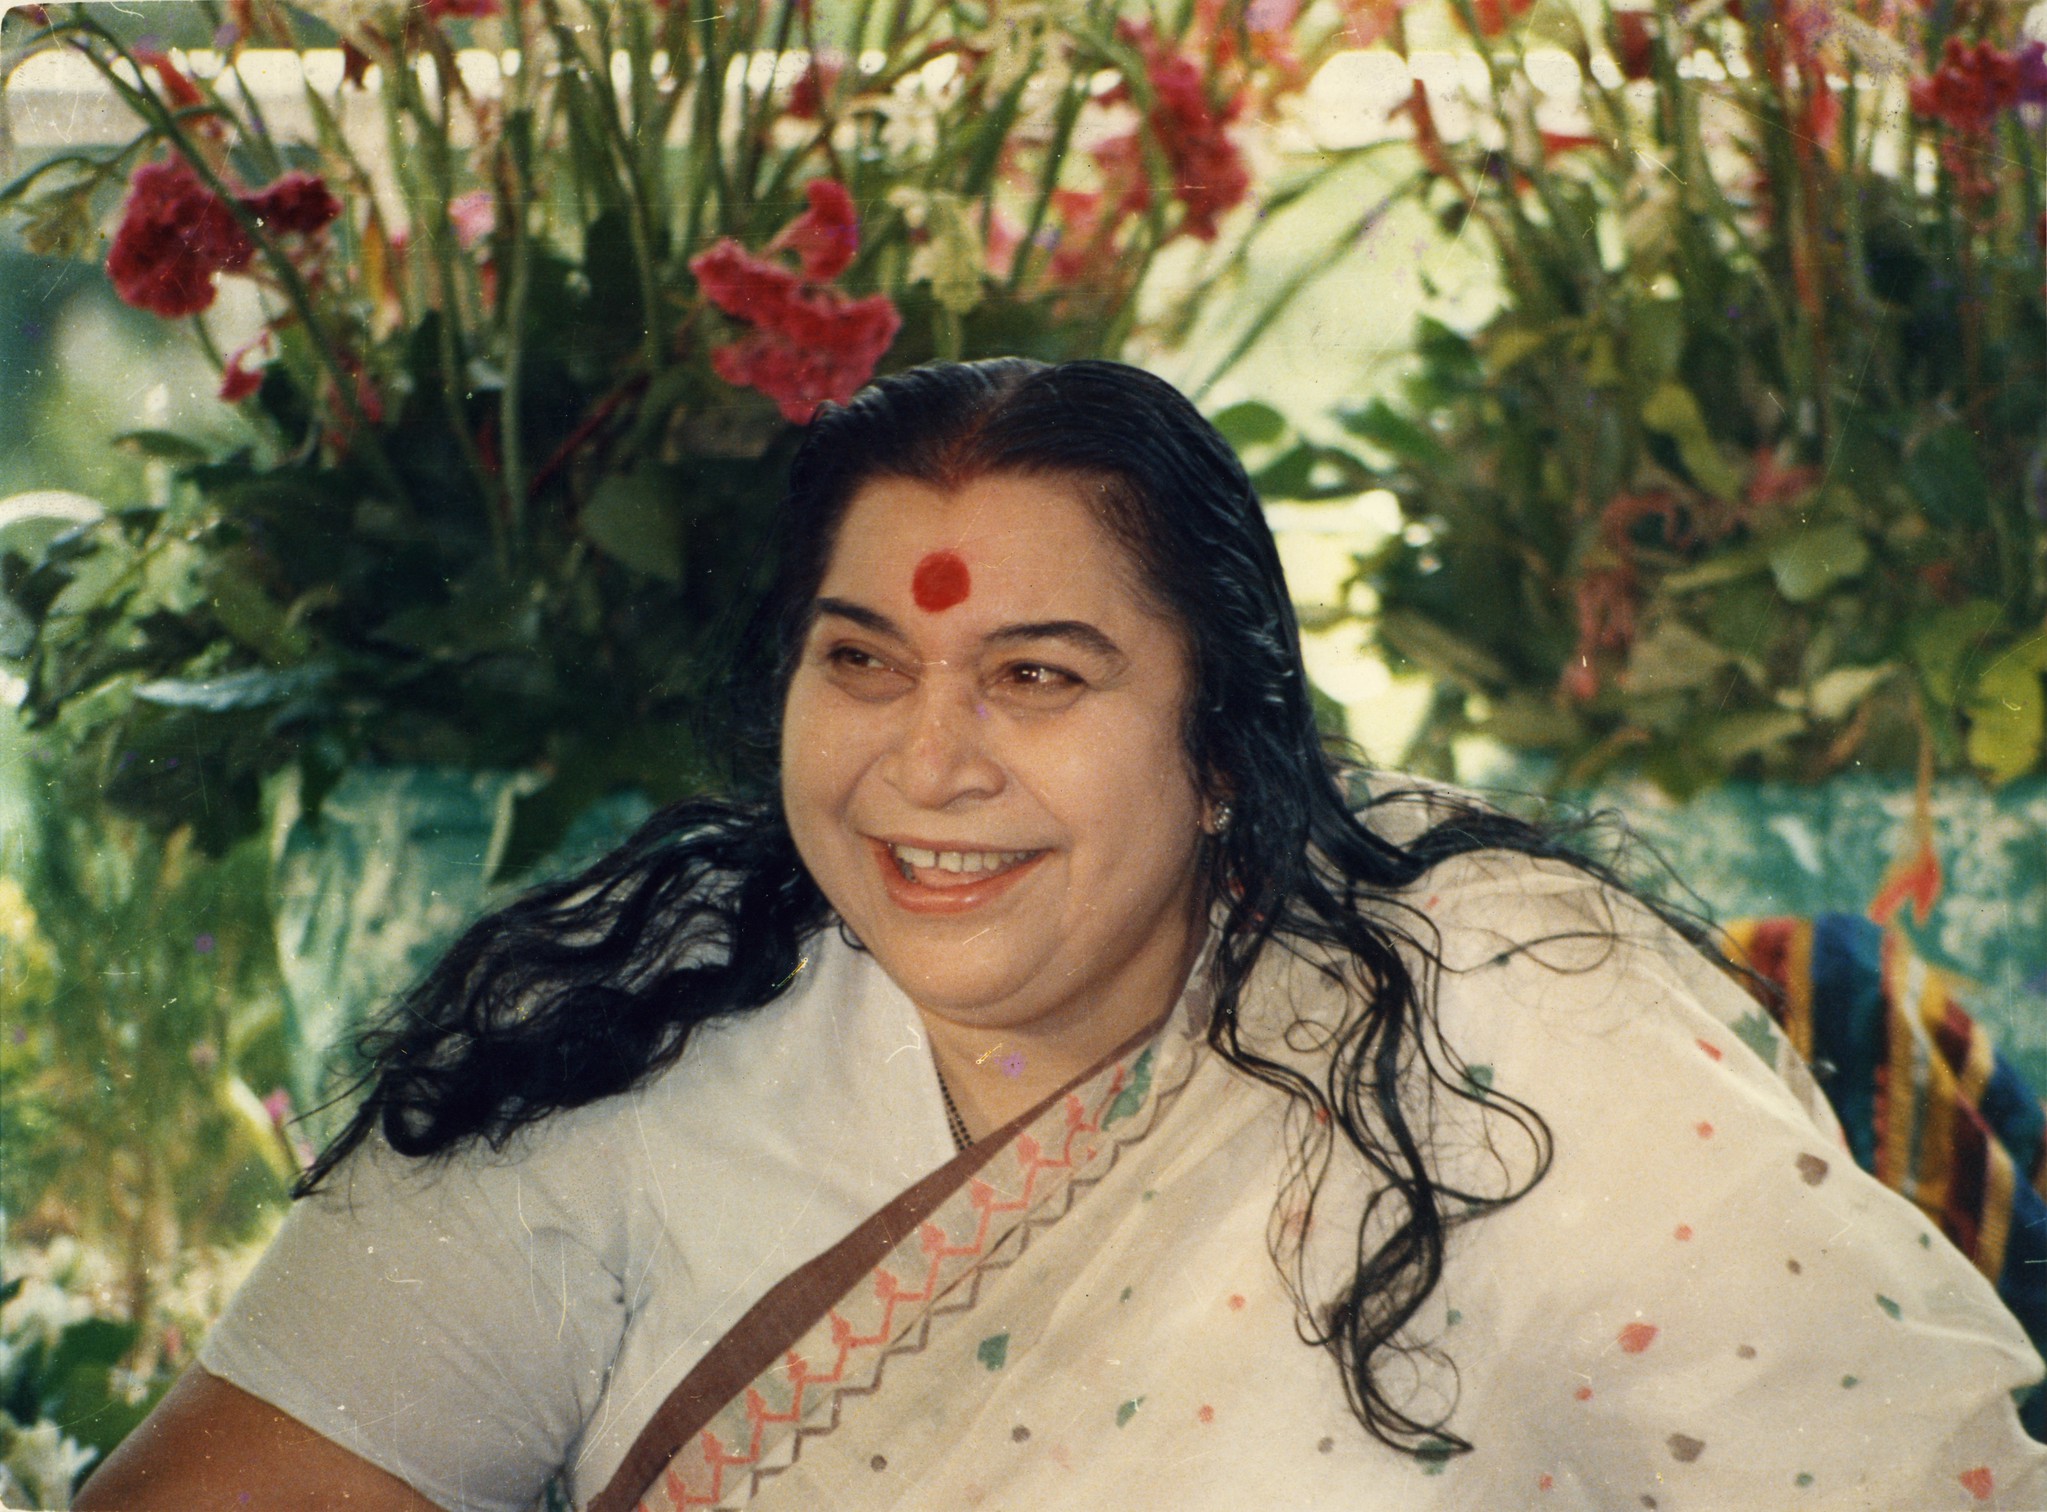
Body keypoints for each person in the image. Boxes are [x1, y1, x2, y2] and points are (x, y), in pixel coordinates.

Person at [81, 359, 2044, 1511]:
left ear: (1223, 748)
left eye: (1037, 674)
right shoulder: (626, 1022)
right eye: (863, 661)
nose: (927, 764)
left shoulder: (1505, 1020)